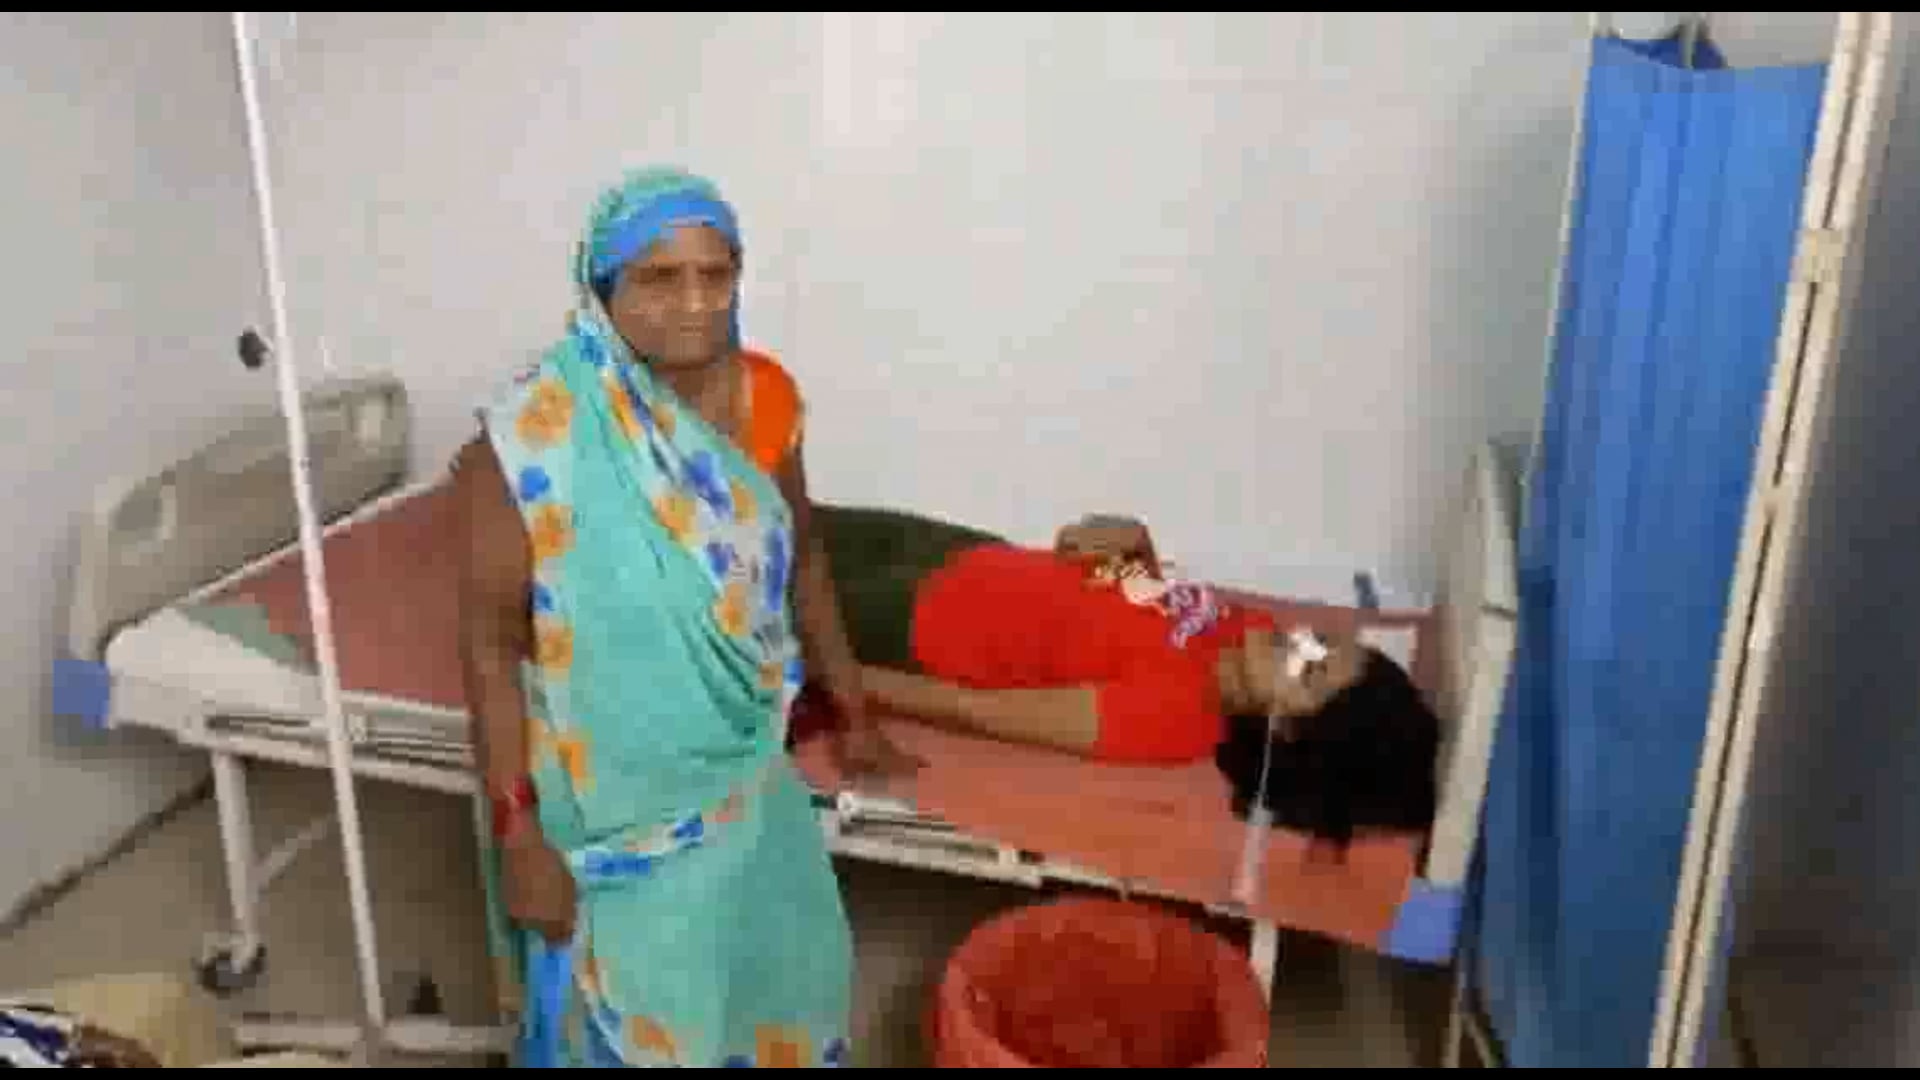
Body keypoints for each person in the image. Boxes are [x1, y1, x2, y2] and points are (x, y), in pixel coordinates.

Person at [456, 166, 910, 1067]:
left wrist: (855, 710)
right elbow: (490, 647)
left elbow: (805, 558)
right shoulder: (530, 441)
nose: (696, 303)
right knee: (635, 1024)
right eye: (660, 278)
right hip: (606, 813)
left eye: (717, 273)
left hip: (745, 775)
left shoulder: (766, 402)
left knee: (768, 990)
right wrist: (519, 834)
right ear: (602, 288)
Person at [805, 504, 1370, 764]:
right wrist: (1131, 541)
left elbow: (978, 710)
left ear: (1284, 727)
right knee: (773, 504)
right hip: (957, 552)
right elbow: (1132, 599)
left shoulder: (1178, 717)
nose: (1301, 643)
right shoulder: (1248, 628)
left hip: (915, 620)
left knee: (757, 559)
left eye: (1313, 671)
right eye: (1321, 639)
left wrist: (836, 681)